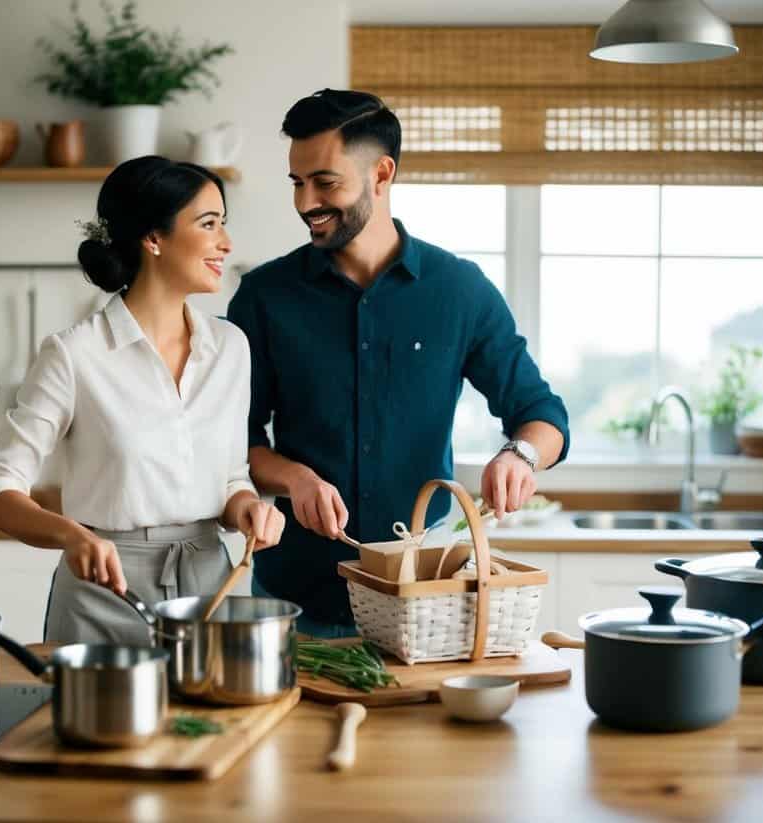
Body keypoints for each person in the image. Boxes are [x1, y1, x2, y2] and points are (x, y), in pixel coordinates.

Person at [227, 89, 569, 638]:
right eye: (297, 182)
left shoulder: (459, 291)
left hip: (424, 597)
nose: (304, 202)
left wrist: (520, 457)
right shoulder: (264, 297)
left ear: (381, 175)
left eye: (325, 182)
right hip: (293, 600)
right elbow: (234, 442)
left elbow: (543, 415)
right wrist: (294, 478)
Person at [0, 155, 285, 646]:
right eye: (208, 224)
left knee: (211, 725)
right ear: (153, 238)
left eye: (224, 224)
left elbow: (229, 478)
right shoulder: (74, 354)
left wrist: (246, 506)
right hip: (101, 596)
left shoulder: (231, 347)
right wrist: (70, 535)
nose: (226, 242)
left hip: (210, 589)